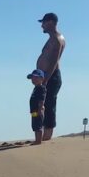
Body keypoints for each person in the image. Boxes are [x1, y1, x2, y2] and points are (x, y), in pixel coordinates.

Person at [36, 12, 66, 141]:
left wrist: (45, 80)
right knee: (41, 104)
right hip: (45, 77)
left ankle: (47, 136)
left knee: (48, 105)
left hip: (51, 77)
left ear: (51, 22)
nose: (42, 25)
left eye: (44, 22)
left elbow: (53, 62)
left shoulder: (57, 40)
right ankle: (43, 135)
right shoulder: (52, 38)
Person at [27, 69, 47, 145]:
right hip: (34, 111)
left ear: (41, 79)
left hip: (38, 110)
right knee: (35, 125)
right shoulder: (36, 88)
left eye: (35, 78)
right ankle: (37, 139)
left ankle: (38, 141)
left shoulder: (41, 88)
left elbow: (42, 100)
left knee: (38, 125)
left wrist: (40, 109)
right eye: (32, 78)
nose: (33, 80)